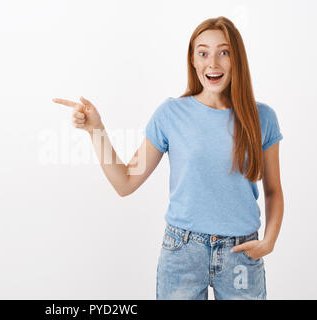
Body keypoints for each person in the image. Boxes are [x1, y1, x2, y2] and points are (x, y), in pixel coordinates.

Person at [52, 16, 283, 300]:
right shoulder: (171, 114)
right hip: (183, 252)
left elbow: (273, 191)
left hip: (241, 255)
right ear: (193, 60)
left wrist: (269, 241)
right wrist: (95, 130)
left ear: (237, 59)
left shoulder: (263, 118)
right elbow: (125, 183)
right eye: (203, 53)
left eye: (224, 52)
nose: (213, 63)